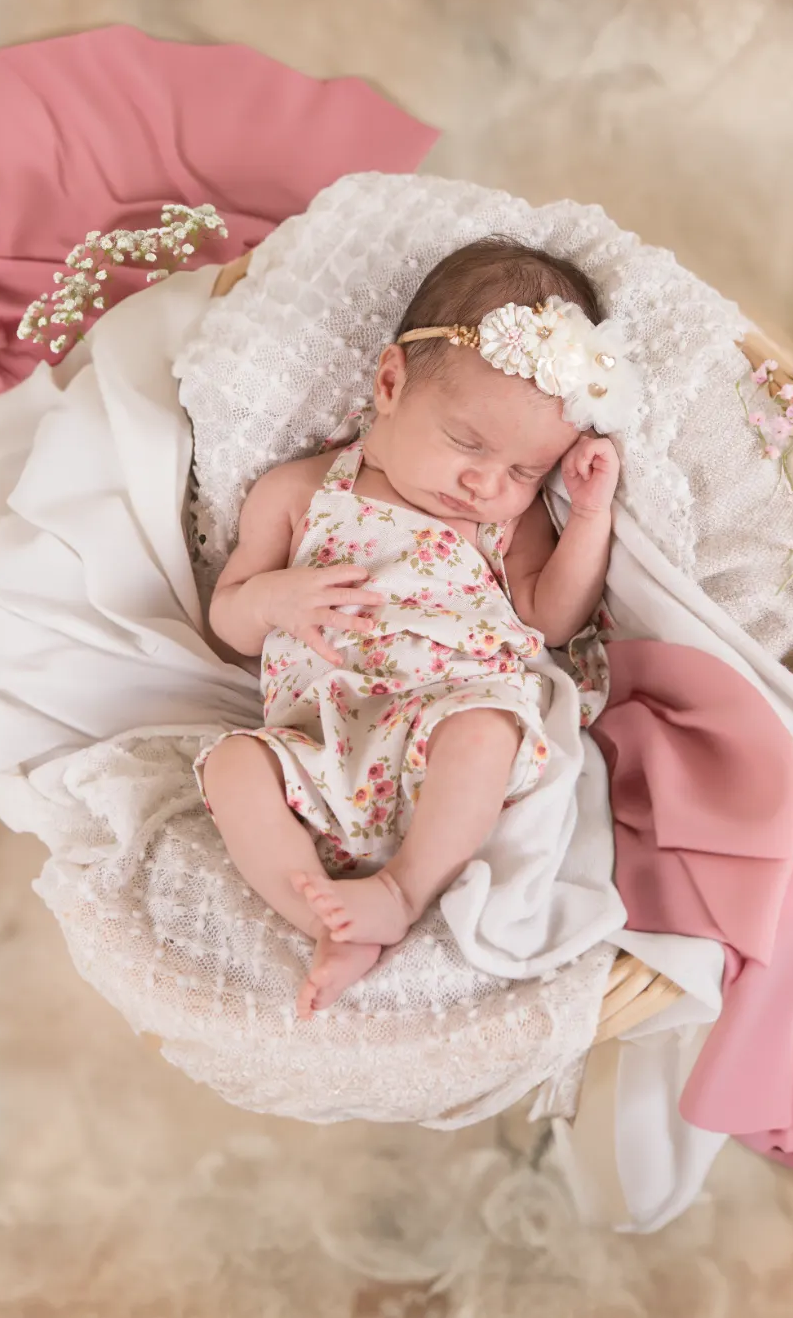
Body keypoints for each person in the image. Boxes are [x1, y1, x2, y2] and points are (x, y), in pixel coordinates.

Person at [195, 237, 642, 1016]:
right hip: (319, 746)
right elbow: (228, 619)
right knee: (231, 767)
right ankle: (328, 917)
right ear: (391, 383)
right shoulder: (298, 493)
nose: (484, 482)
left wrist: (589, 517)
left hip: (439, 727)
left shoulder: (502, 523)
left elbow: (551, 617)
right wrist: (276, 598)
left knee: (486, 728)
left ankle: (402, 889)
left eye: (522, 471)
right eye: (467, 443)